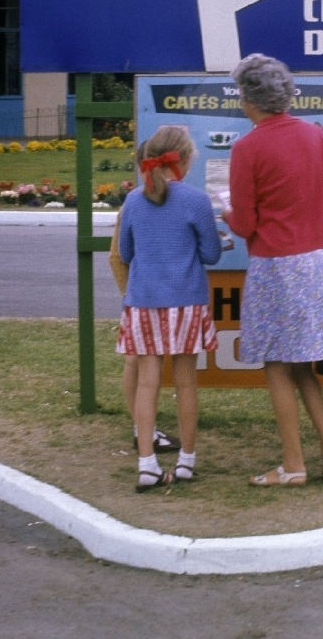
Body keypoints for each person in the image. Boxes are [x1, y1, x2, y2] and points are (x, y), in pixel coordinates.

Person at [222, 53, 323, 487]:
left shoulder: (247, 148)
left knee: (275, 363)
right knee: (303, 364)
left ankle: (293, 464)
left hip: (277, 265)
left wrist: (226, 213)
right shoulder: (316, 138)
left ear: (250, 97)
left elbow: (246, 224)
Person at [116, 125, 222, 491]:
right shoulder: (195, 201)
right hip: (187, 302)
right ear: (184, 160)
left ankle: (146, 463)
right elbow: (210, 253)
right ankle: (187, 461)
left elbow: (126, 254)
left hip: (143, 303)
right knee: (186, 383)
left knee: (148, 384)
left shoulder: (132, 201)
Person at [109, 142, 180, 457]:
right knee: (136, 362)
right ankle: (143, 431)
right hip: (141, 296)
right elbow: (118, 256)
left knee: (140, 362)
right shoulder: (134, 204)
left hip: (146, 296)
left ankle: (144, 430)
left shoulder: (144, 202)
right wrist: (130, 296)